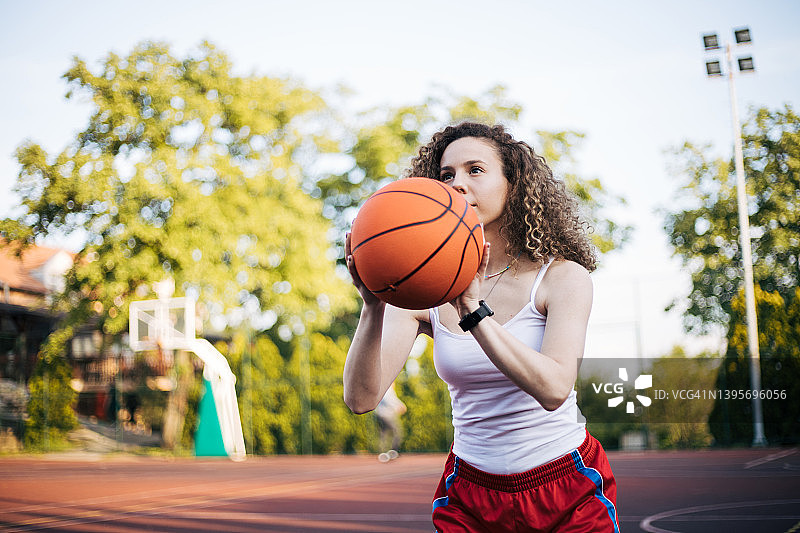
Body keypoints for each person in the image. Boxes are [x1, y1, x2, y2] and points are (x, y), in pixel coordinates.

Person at [343, 122, 619, 532]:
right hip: (470, 492)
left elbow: (554, 388)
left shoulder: (561, 278)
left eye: (475, 170)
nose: (458, 184)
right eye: (446, 175)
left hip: (565, 484)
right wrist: (372, 307)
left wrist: (471, 310)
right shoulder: (422, 289)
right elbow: (361, 399)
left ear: (515, 185)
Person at [374, 382, 406, 462]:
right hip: (386, 415)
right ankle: (393, 451)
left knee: (384, 433)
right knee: (397, 431)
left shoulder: (382, 390)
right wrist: (399, 406)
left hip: (380, 414)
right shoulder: (388, 390)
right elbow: (390, 400)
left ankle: (383, 453)